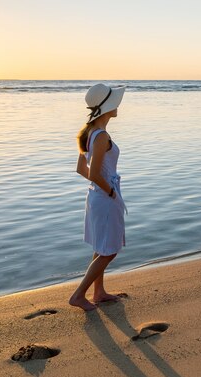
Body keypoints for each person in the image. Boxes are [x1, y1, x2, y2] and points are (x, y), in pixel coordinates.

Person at [70, 83, 128, 311]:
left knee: (100, 247)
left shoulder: (89, 133)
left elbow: (81, 169)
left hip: (96, 197)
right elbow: (92, 173)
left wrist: (100, 186)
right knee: (109, 250)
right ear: (107, 107)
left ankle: (99, 292)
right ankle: (78, 295)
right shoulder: (101, 135)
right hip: (105, 198)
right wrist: (110, 191)